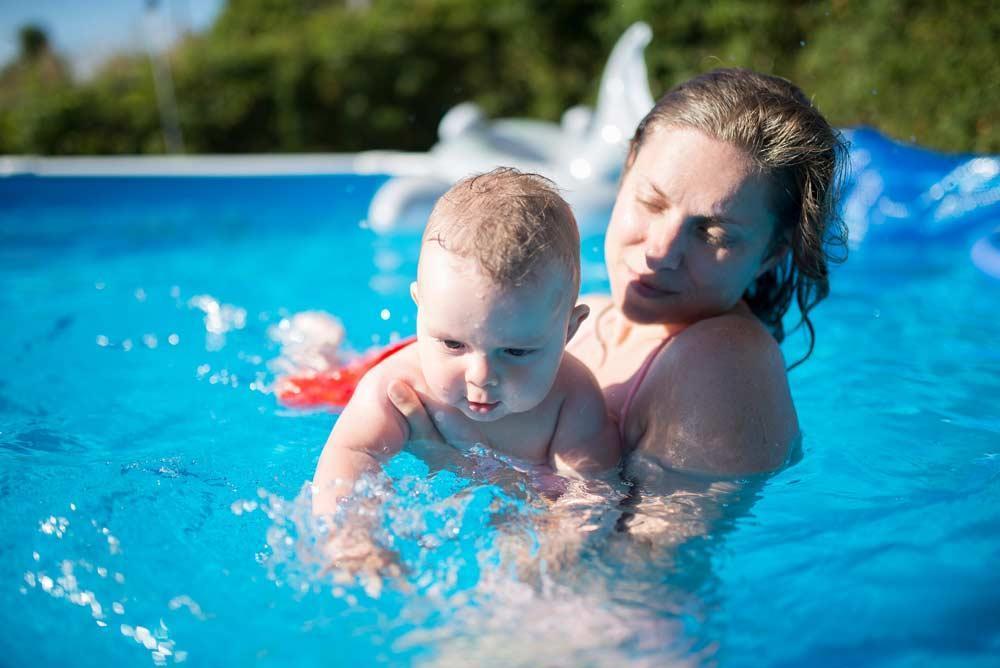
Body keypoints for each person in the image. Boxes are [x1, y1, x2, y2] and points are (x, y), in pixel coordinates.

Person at [388, 68, 847, 490]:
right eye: (651, 202)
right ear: (626, 171)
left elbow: (638, 554)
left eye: (712, 233)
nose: (659, 252)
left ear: (771, 254)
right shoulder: (583, 313)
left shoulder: (725, 366)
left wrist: (463, 464)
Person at [311, 168, 621, 522]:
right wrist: (351, 533)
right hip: (364, 375)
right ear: (420, 309)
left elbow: (593, 490)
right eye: (453, 344)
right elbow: (351, 452)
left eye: (515, 351)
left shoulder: (573, 398)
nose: (481, 375)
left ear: (569, 330)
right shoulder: (399, 385)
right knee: (320, 387)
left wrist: (564, 538)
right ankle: (320, 349)